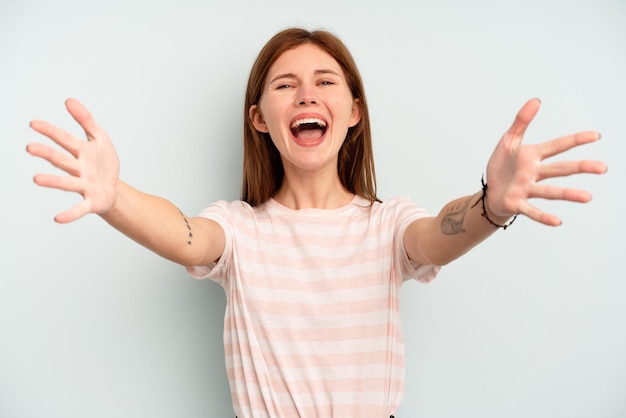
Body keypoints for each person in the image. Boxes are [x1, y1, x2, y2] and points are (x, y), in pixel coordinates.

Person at [26, 28, 606, 418]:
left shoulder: (387, 225)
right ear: (259, 119)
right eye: (285, 85)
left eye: (326, 82)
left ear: (353, 112)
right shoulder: (238, 230)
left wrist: (491, 205)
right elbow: (185, 236)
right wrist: (113, 197)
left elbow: (435, 236)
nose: (307, 94)